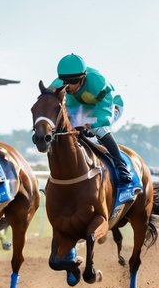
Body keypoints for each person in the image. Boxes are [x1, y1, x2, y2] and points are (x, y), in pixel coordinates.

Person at [50, 53, 138, 205]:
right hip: (80, 107)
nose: (68, 86)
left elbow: (104, 112)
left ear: (83, 78)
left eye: (73, 81)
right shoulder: (58, 84)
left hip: (108, 104)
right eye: (65, 81)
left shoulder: (98, 83)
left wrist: (91, 124)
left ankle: (122, 168)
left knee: (99, 128)